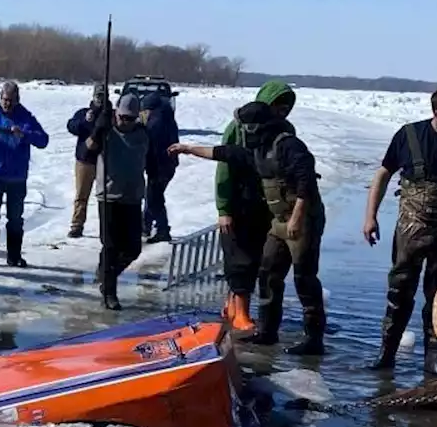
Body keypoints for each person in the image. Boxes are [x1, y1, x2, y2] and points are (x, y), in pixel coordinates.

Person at [171, 100, 327, 355]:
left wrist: (297, 219)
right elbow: (225, 153)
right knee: (268, 273)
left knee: (304, 277)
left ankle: (314, 338)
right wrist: (188, 149)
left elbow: (305, 182)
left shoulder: (288, 145)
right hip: (278, 222)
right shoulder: (259, 150)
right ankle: (267, 332)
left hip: (302, 220)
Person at [363, 85, 437, 375]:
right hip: (411, 230)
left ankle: (433, 359)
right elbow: (383, 174)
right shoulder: (409, 136)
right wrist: (371, 217)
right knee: (399, 292)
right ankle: (386, 354)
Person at [214, 80, 295, 329]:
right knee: (240, 259)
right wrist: (224, 208)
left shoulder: (286, 131)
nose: (280, 112)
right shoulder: (238, 129)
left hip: (268, 203)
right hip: (239, 201)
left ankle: (234, 306)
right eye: (276, 106)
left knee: (261, 258)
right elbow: (224, 167)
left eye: (285, 108)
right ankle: (241, 313)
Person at [0, 81, 50, 268]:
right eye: (5, 100)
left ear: (17, 100)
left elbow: (43, 139)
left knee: (15, 218)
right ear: (0, 98)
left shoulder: (25, 117)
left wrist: (24, 134)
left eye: (11, 101)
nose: (7, 104)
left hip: (16, 176)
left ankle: (14, 255)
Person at [86, 95, 148, 310]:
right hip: (109, 197)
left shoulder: (143, 135)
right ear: (116, 114)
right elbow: (88, 150)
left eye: (130, 119)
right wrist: (97, 129)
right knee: (111, 246)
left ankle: (106, 275)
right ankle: (110, 292)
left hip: (133, 197)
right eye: (122, 117)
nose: (125, 122)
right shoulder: (107, 133)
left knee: (133, 249)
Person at [65, 83, 108, 238]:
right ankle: (77, 225)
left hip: (105, 160)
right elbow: (71, 126)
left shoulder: (111, 115)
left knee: (106, 196)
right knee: (81, 195)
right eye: (98, 96)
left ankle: (108, 226)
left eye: (103, 96)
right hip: (85, 160)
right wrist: (85, 121)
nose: (100, 99)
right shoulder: (84, 113)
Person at [141, 92, 179, 243]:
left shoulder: (156, 123)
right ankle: (146, 225)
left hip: (159, 166)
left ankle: (162, 229)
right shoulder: (168, 118)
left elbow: (150, 146)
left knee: (154, 197)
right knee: (152, 195)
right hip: (167, 165)